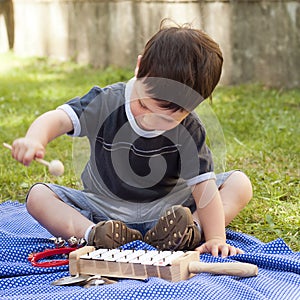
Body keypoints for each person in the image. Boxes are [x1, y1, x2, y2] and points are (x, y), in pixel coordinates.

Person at [10, 20, 252, 258]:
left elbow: (203, 188)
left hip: (168, 212)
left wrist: (217, 239)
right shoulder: (106, 101)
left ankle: (190, 231)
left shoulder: (189, 128)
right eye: (145, 105)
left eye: (167, 119)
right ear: (139, 68)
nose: (151, 120)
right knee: (38, 196)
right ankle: (93, 234)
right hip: (105, 210)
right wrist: (34, 139)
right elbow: (59, 118)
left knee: (239, 184)